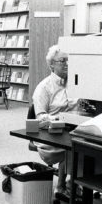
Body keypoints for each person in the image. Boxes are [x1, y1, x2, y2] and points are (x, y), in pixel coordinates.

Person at [32, 44, 79, 193]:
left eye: (69, 60)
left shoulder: (75, 83)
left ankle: (68, 182)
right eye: (62, 60)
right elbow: (40, 120)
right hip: (49, 136)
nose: (67, 64)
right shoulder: (44, 88)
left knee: (83, 142)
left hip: (70, 132)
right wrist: (62, 117)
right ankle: (70, 183)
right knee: (75, 145)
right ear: (51, 64)